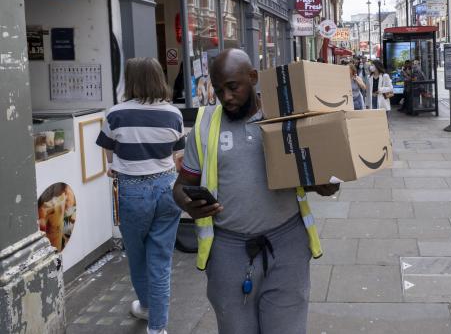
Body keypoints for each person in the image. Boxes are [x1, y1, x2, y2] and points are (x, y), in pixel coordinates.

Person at [172, 49, 338, 334]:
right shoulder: (204, 126)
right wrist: (188, 203)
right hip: (228, 252)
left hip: (287, 247)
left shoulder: (286, 116)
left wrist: (326, 183)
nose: (226, 97)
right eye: (219, 89)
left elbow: (326, 176)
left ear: (253, 78)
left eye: (233, 87)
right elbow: (180, 187)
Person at [96, 58, 185, 334]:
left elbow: (109, 153)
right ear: (159, 78)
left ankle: (146, 307)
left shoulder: (116, 113)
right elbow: (177, 155)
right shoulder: (174, 114)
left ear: (131, 80)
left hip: (131, 191)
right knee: (161, 259)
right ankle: (157, 328)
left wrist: (115, 167)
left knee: (137, 255)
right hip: (167, 189)